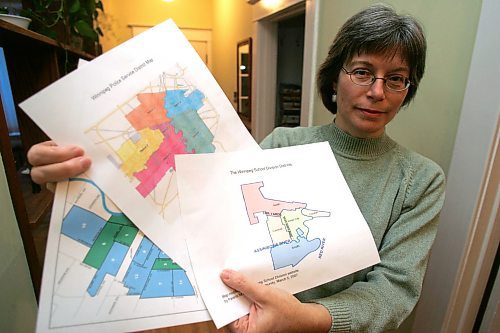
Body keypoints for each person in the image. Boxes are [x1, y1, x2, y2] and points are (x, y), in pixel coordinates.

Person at [27, 4, 445, 332]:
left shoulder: (420, 180)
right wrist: (80, 177)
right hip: (239, 320)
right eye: (362, 71)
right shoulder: (283, 143)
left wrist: (307, 319)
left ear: (407, 90)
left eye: (396, 79)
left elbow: (393, 293)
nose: (376, 91)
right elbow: (199, 219)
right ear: (335, 77)